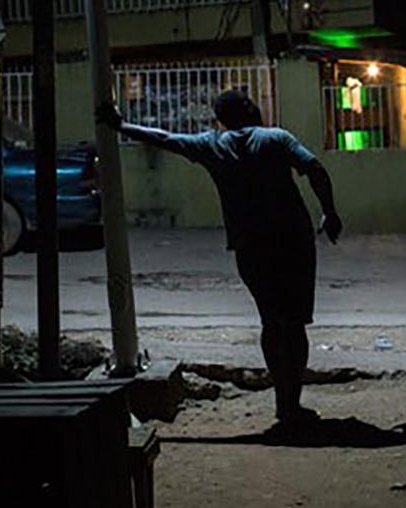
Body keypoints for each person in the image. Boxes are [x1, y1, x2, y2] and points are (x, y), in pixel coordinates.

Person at [96, 90, 342, 428]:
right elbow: (314, 168)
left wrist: (122, 126)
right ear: (249, 110)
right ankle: (291, 403)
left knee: (271, 322)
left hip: (250, 245)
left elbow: (165, 138)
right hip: (293, 241)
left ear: (222, 119)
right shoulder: (276, 138)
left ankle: (283, 404)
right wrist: (329, 211)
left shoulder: (212, 145)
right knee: (295, 324)